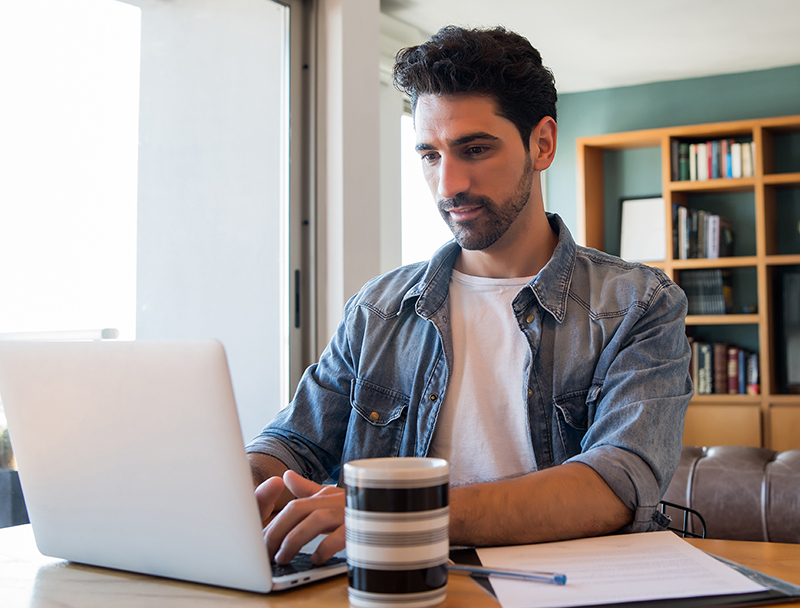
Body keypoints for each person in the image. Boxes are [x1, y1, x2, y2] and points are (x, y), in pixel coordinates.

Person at [246, 25, 692, 567]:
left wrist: (396, 512)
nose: (447, 185)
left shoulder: (638, 304)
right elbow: (295, 443)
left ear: (542, 144)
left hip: (564, 592)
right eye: (430, 155)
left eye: (474, 149)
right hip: (393, 586)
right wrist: (236, 485)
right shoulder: (378, 308)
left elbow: (617, 484)